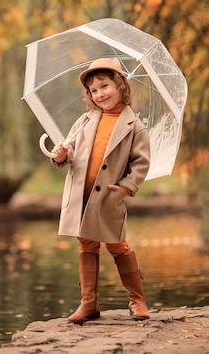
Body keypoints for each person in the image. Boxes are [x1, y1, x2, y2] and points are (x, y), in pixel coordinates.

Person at [50, 57, 151, 324]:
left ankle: (137, 300)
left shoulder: (134, 126)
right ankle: (89, 303)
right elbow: (72, 152)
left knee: (118, 244)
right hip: (81, 194)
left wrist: (125, 188)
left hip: (108, 196)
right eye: (94, 91)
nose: (100, 94)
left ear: (120, 86)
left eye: (104, 86)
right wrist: (61, 154)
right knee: (86, 244)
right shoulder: (84, 121)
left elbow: (141, 163)